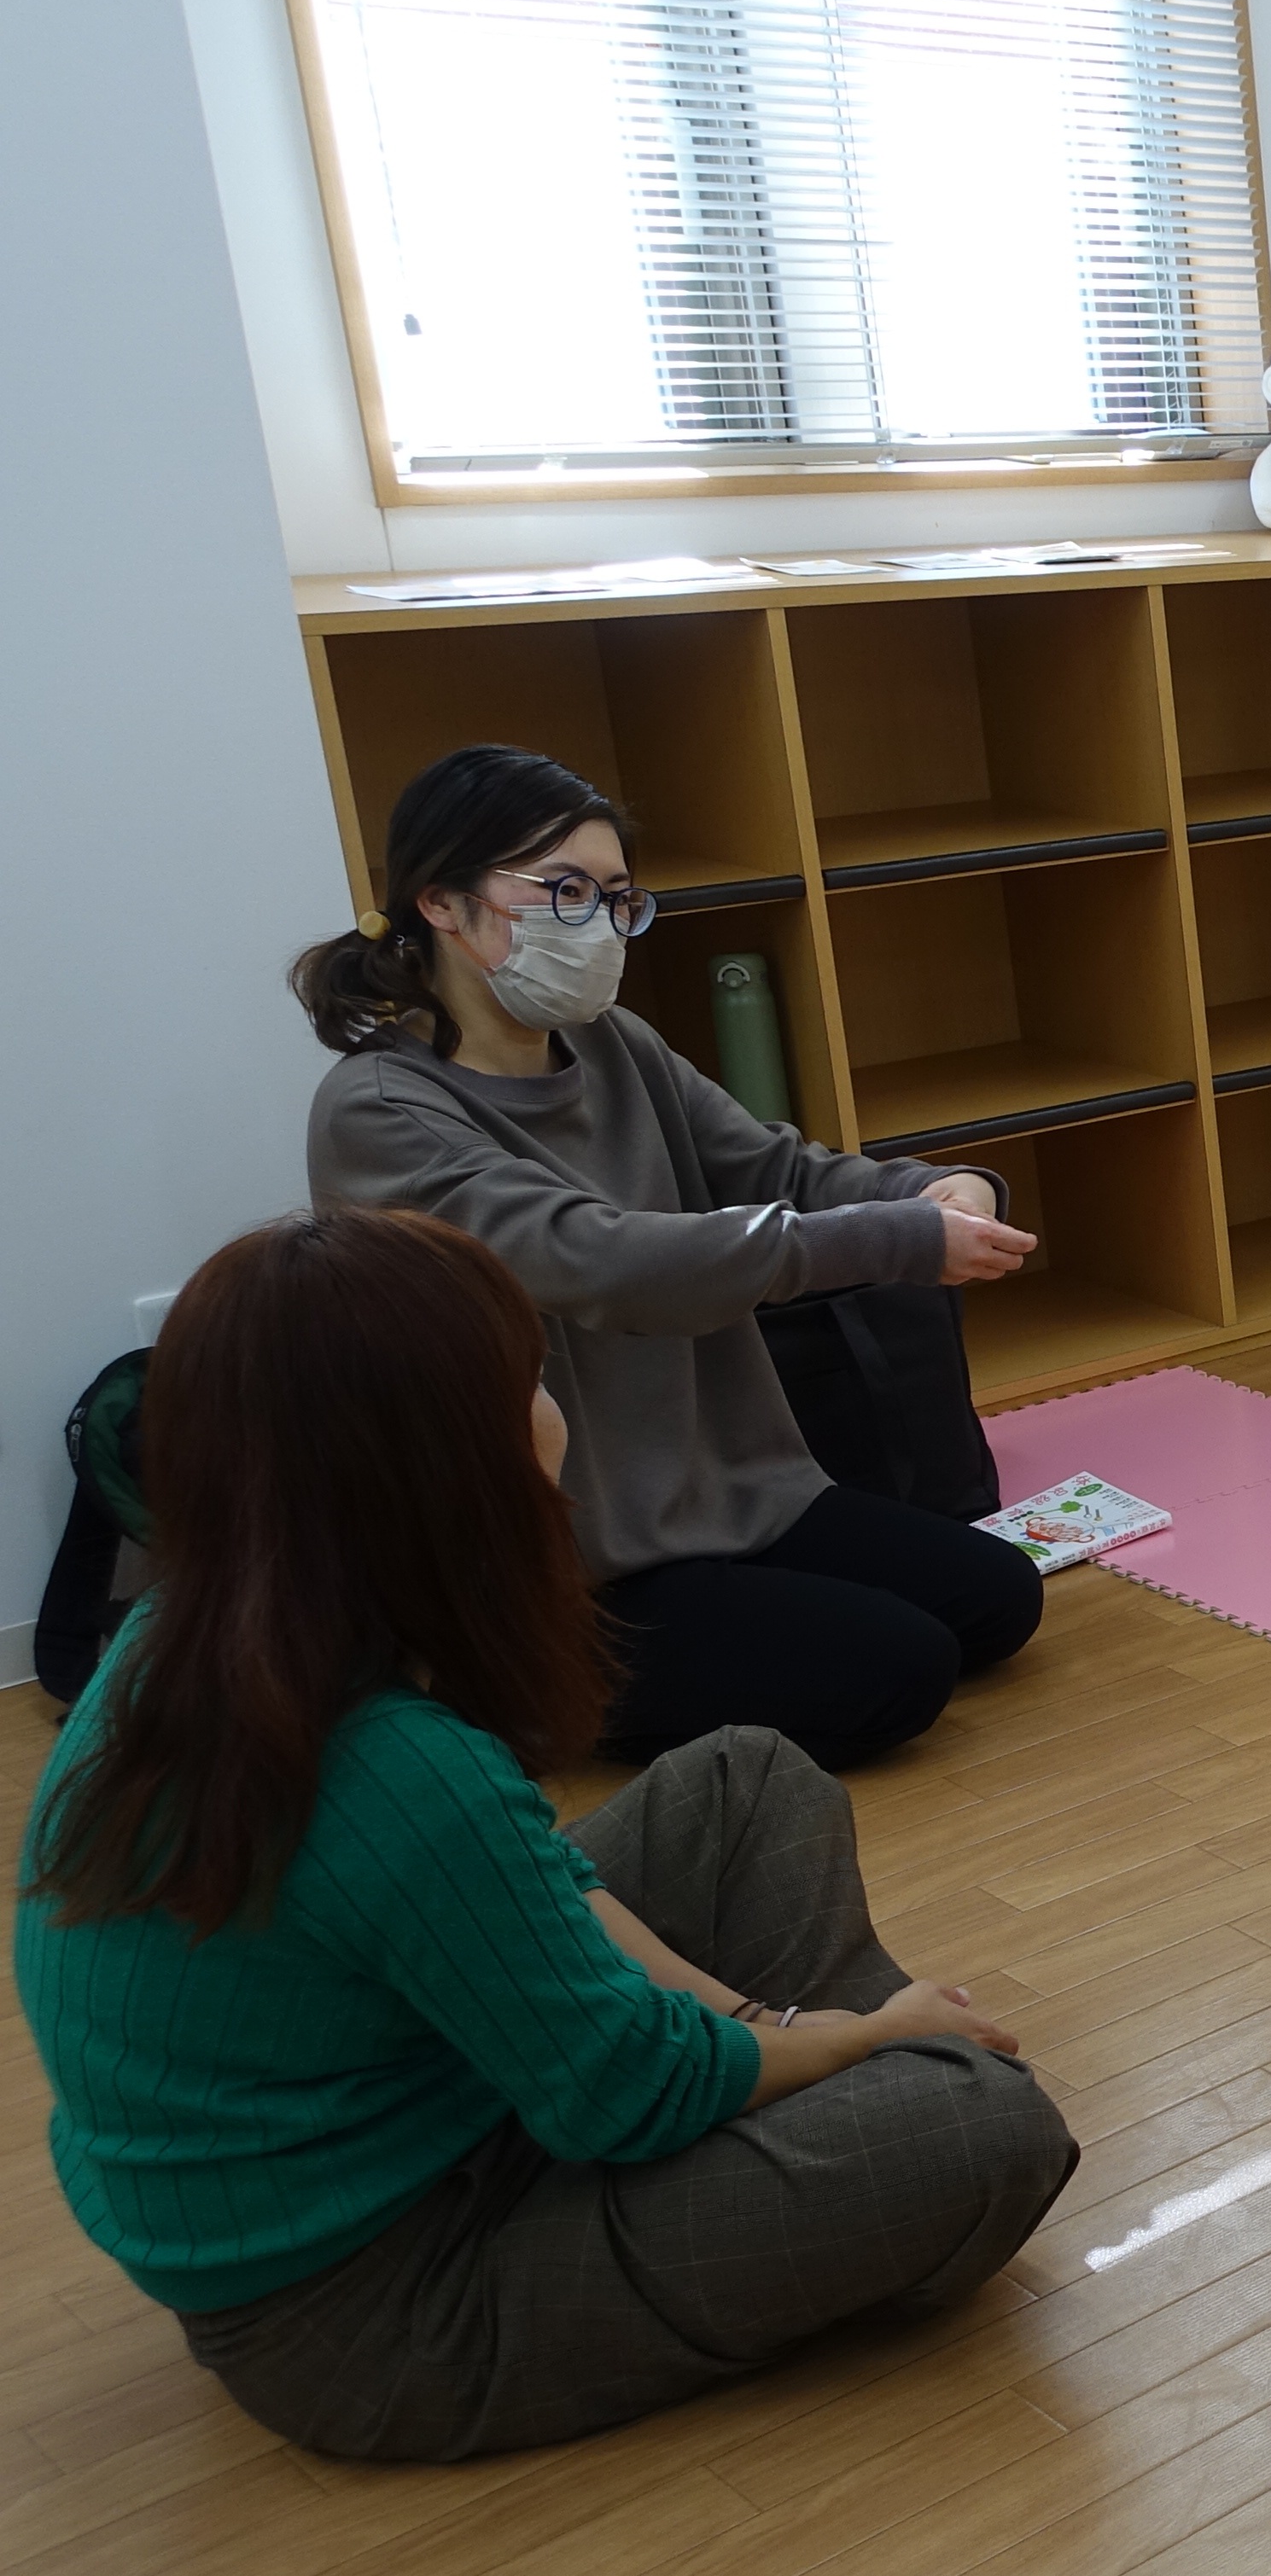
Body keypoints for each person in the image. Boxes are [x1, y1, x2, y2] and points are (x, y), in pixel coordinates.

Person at [9, 1208, 1076, 2463]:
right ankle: (858, 2125)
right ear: (434, 1454)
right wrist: (857, 2041)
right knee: (985, 2127)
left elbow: (537, 1878)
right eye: (524, 1378)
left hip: (411, 2125)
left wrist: (777, 2029)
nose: (554, 1405)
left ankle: (829, 2108)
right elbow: (626, 2088)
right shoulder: (390, 1763)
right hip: (371, 2313)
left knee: (750, 1781)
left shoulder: (205, 1627)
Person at [300, 744, 1047, 1770]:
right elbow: (606, 1263)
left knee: (996, 1600)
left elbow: (774, 1166)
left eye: (615, 897)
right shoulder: (381, 1110)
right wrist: (897, 1239)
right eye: (564, 890)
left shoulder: (616, 1042)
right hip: (565, 1555)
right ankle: (503, 1682)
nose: (599, 923)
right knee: (902, 1673)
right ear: (442, 902)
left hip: (725, 1493)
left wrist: (931, 1188)